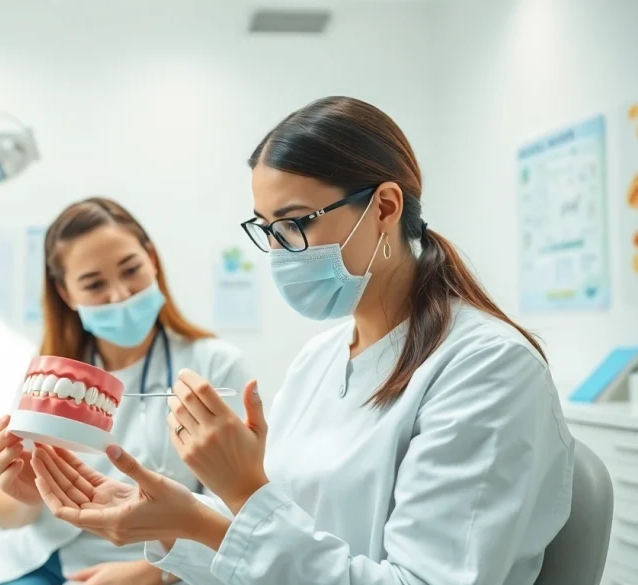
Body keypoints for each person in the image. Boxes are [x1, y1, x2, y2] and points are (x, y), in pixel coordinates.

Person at [29, 97, 575, 585]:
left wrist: (237, 497)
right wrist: (175, 517)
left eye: (295, 223)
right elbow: (280, 545)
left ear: (384, 207)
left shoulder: (487, 368)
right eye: (267, 228)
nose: (279, 251)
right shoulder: (321, 360)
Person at [0, 197, 250, 585]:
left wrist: (153, 573)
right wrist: (25, 495)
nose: (120, 295)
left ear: (152, 259)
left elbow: (243, 509)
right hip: (41, 558)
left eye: (131, 270)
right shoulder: (51, 374)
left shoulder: (214, 365)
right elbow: (5, 513)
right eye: (94, 284)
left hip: (159, 565)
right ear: (66, 294)